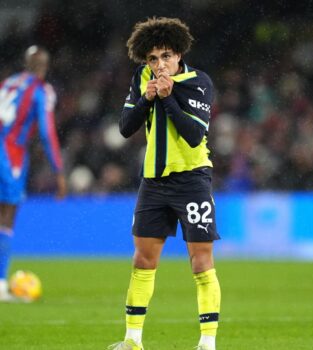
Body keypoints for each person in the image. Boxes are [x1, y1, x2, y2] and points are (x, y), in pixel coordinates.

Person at [108, 17, 221, 350]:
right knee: (143, 260)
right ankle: (132, 340)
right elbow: (126, 127)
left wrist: (168, 98)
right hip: (153, 183)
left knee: (201, 262)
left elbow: (194, 134)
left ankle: (207, 343)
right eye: (153, 58)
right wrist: (147, 97)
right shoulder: (143, 78)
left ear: (179, 54)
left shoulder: (198, 82)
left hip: (192, 180)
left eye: (166, 56)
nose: (160, 64)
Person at [0, 45, 67, 302]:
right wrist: (59, 171)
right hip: (10, 153)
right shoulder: (39, 90)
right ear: (45, 67)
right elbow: (47, 132)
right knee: (6, 216)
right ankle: (1, 284)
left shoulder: (9, 83)